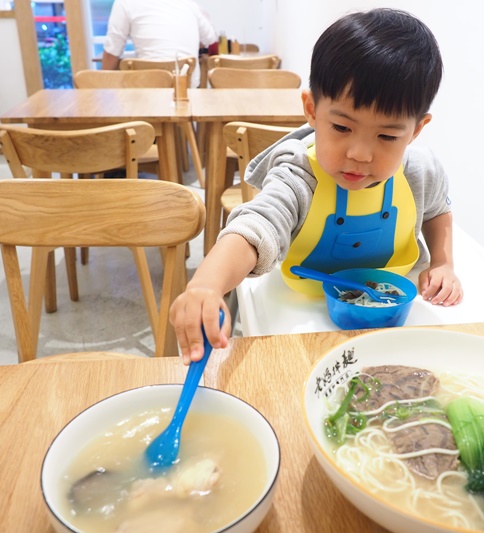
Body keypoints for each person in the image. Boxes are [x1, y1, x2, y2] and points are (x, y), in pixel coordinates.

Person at [171, 8, 463, 363]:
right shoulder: (299, 174)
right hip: (303, 312)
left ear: (416, 130)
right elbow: (256, 226)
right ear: (311, 109)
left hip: (391, 315)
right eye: (341, 128)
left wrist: (444, 263)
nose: (359, 154)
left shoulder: (420, 171)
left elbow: (437, 210)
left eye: (387, 135)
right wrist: (206, 284)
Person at [101, 0, 217, 87]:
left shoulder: (125, 3)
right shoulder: (188, 4)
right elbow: (211, 40)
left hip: (147, 91)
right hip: (187, 91)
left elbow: (112, 51)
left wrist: (102, 85)